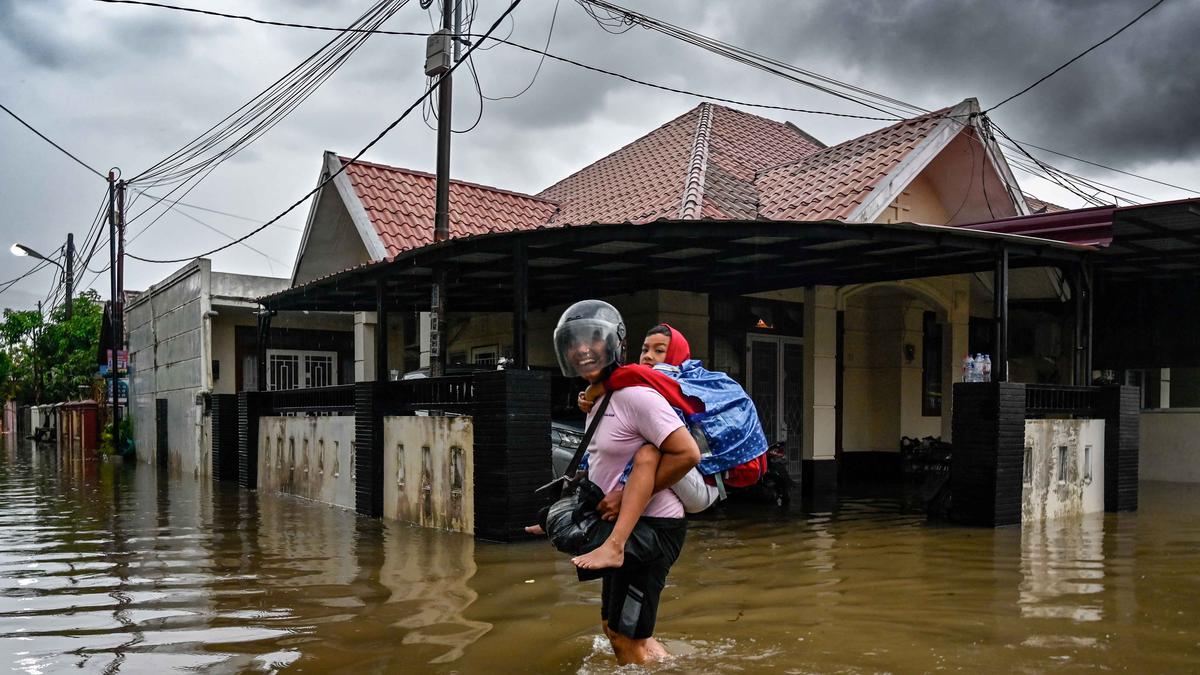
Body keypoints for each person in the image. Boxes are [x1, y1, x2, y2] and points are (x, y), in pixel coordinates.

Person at [543, 299, 701, 665]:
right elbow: (603, 466)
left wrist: (627, 495)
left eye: (592, 340)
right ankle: (672, 667)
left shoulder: (636, 396)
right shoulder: (599, 399)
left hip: (652, 530)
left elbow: (687, 453)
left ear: (612, 343)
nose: (582, 349)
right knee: (612, 629)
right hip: (626, 528)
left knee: (628, 640)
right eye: (573, 341)